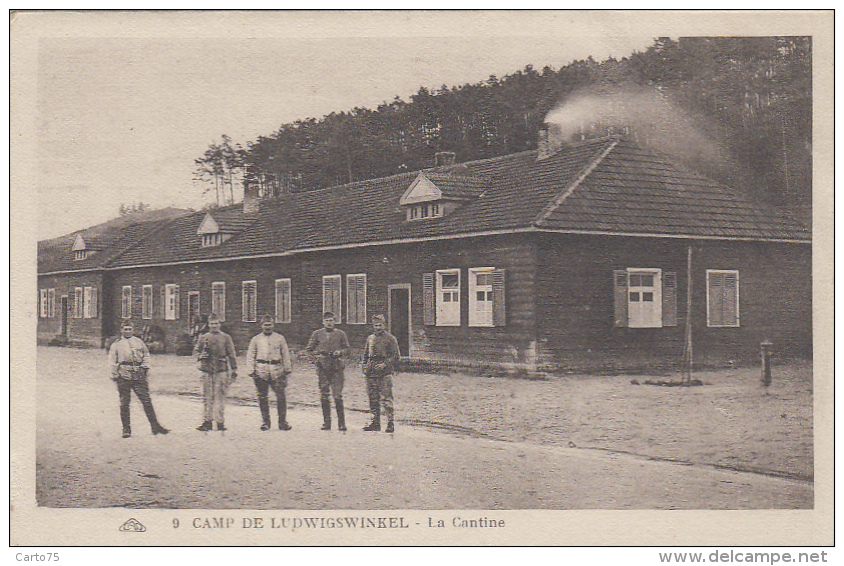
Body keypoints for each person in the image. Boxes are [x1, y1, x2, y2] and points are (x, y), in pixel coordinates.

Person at [108, 320, 169, 438]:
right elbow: (112, 361)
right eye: (125, 329)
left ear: (133, 330)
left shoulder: (139, 342)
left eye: (129, 329)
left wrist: (145, 368)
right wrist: (115, 375)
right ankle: (126, 429)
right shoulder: (117, 344)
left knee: (146, 401)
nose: (127, 331)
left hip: (138, 373)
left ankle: (155, 426)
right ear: (121, 330)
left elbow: (146, 355)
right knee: (124, 403)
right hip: (123, 374)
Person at [246, 314, 293, 431]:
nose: (267, 327)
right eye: (265, 325)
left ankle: (282, 422)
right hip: (261, 369)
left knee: (281, 396)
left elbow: (285, 354)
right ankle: (266, 422)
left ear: (273, 325)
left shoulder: (280, 338)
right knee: (262, 397)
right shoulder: (256, 339)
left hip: (277, 370)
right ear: (261, 326)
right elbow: (251, 355)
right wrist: (251, 370)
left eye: (269, 325)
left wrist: (287, 368)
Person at [193, 313, 238, 431]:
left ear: (219, 324)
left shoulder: (226, 337)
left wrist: (233, 369)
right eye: (212, 324)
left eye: (216, 323)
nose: (214, 326)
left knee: (220, 397)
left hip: (221, 369)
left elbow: (232, 354)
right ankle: (207, 421)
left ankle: (220, 422)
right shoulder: (203, 337)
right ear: (208, 325)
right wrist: (200, 355)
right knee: (207, 397)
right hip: (206, 369)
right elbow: (196, 351)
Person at [306, 312, 350, 431]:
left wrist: (340, 352)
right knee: (324, 395)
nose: (329, 323)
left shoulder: (340, 334)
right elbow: (309, 350)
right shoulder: (317, 334)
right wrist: (316, 360)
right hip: (323, 368)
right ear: (323, 322)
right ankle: (327, 422)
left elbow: (347, 348)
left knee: (337, 395)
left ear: (334, 321)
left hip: (336, 368)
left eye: (331, 320)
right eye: (327, 321)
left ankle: (341, 423)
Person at [362, 314, 401, 433]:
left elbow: (396, 356)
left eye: (380, 325)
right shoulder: (370, 339)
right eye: (375, 325)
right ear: (373, 326)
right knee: (373, 398)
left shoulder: (390, 339)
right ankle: (375, 422)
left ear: (384, 325)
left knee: (386, 398)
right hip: (371, 372)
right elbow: (365, 355)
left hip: (384, 373)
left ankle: (390, 423)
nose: (378, 327)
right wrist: (364, 367)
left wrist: (385, 364)